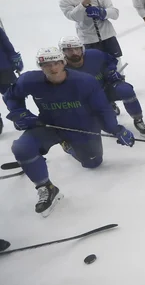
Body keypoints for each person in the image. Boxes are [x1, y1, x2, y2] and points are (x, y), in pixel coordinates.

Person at [4, 47, 135, 217]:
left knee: (93, 163)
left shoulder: (85, 81)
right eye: (47, 64)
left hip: (82, 127)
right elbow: (11, 97)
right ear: (40, 66)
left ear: (63, 62)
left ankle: (68, 145)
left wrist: (116, 129)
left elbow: (102, 109)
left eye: (56, 63)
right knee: (21, 147)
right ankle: (46, 187)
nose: (53, 68)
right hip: (49, 126)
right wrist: (20, 114)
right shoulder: (29, 80)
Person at [59, 36, 145, 136]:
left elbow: (112, 61)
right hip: (89, 99)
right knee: (110, 126)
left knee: (126, 90)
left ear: (82, 48)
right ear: (62, 52)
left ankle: (138, 119)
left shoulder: (94, 55)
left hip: (106, 87)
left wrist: (110, 71)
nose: (74, 53)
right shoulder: (59, 68)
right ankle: (108, 108)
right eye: (69, 50)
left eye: (77, 48)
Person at [60, 0, 124, 58]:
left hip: (108, 37)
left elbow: (115, 13)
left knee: (117, 64)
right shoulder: (66, 0)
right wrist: (82, 5)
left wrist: (103, 13)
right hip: (89, 40)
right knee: (95, 66)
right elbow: (73, 17)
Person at [0, 26, 23, 135]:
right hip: (3, 67)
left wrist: (14, 56)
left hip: (3, 67)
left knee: (11, 93)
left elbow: (6, 43)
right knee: (11, 93)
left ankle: (20, 117)